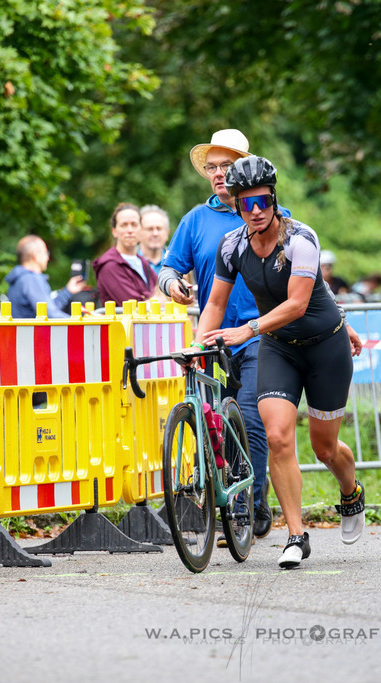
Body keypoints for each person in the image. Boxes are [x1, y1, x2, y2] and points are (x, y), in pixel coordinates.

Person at [195, 155, 365, 569]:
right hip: (279, 348)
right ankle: (295, 535)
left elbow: (297, 303)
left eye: (262, 202)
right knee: (277, 437)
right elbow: (216, 301)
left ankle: (351, 491)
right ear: (234, 205)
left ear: (274, 199)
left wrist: (248, 329)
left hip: (325, 346)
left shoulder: (300, 239)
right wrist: (198, 344)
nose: (255, 211)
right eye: (245, 204)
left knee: (325, 448)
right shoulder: (232, 245)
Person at [157, 128, 274, 540]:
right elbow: (168, 267)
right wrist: (172, 285)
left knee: (251, 420)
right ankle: (230, 499)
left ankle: (249, 506)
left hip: (261, 334)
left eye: (228, 165)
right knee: (217, 424)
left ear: (244, 165)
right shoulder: (195, 220)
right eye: (213, 167)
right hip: (214, 337)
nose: (220, 173)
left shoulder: (265, 212)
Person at [5, 235, 88, 318]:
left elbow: (46, 309)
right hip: (34, 331)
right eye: (46, 253)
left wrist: (68, 291)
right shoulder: (31, 279)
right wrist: (79, 323)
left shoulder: (21, 277)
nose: (48, 258)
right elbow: (50, 314)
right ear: (35, 256)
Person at [93, 203, 159, 305]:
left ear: (141, 230)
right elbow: (134, 306)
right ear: (114, 231)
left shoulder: (143, 262)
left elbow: (161, 291)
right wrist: (154, 298)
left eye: (134, 224)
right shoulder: (109, 266)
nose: (130, 230)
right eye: (124, 225)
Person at [139, 205, 170, 275]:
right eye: (150, 229)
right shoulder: (129, 263)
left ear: (167, 233)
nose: (155, 233)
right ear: (139, 232)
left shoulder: (177, 264)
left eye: (159, 228)